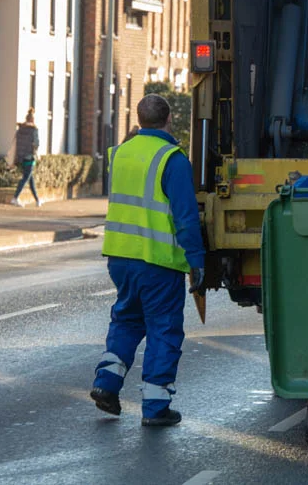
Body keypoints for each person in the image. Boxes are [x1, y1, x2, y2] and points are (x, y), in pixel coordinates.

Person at [90, 94, 206, 427]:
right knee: (163, 329)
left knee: (126, 321)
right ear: (169, 120)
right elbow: (185, 217)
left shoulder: (121, 154)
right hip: (157, 261)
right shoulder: (173, 159)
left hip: (120, 257)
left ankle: (106, 384)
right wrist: (196, 261)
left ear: (140, 120)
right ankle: (155, 408)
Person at [12, 109, 42, 207]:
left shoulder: (20, 129)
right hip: (30, 157)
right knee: (25, 178)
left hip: (21, 157)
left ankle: (37, 200)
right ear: (32, 119)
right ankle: (15, 198)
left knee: (30, 178)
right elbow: (37, 144)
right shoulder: (34, 130)